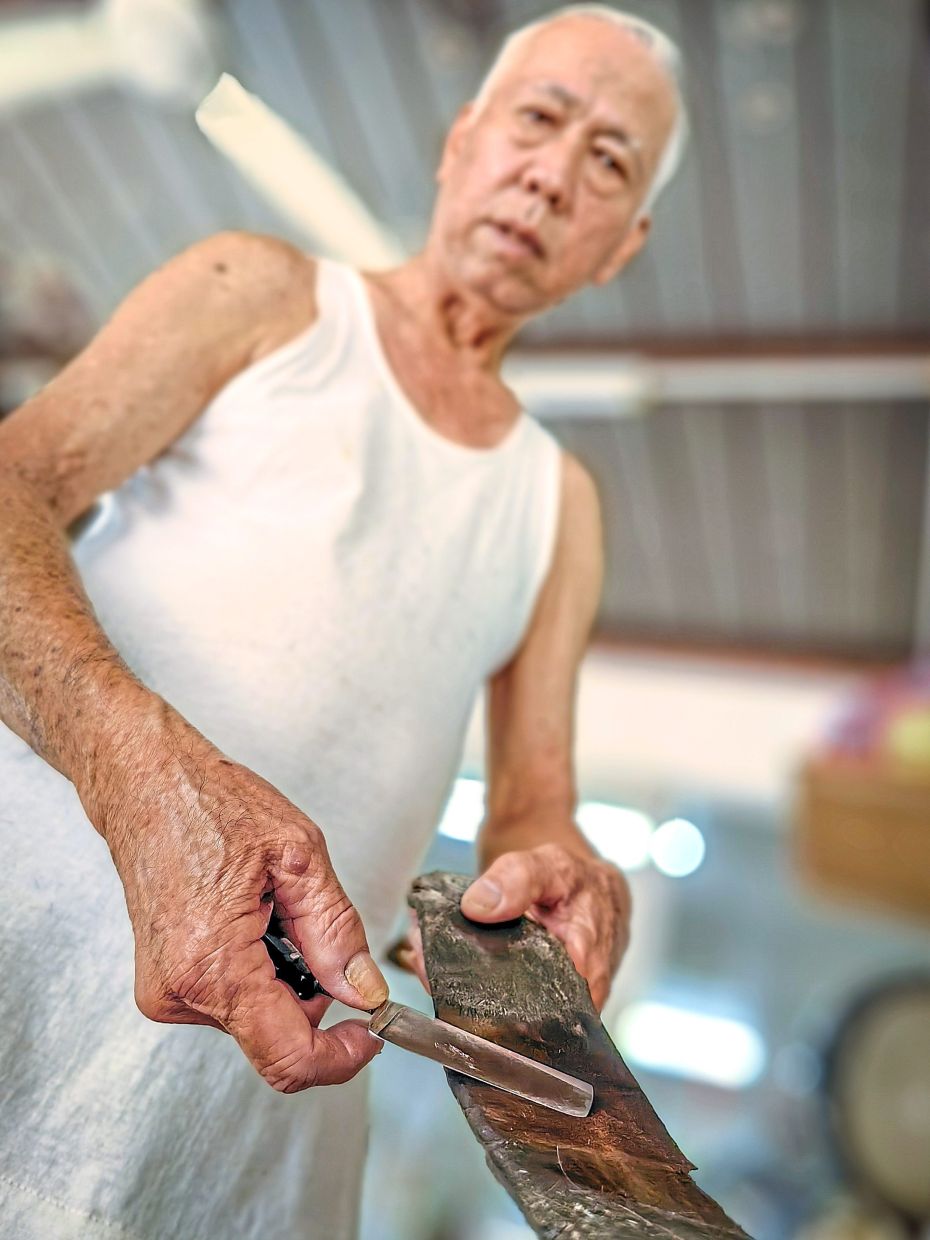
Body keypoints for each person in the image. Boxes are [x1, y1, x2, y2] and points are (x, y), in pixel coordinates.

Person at [0, 6, 685, 1237]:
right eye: (538, 119)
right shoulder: (258, 291)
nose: (551, 172)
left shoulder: (556, 503)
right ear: (462, 140)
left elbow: (532, 805)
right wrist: (138, 777)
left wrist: (569, 876)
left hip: (263, 1106)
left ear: (621, 246)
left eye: (609, 162)